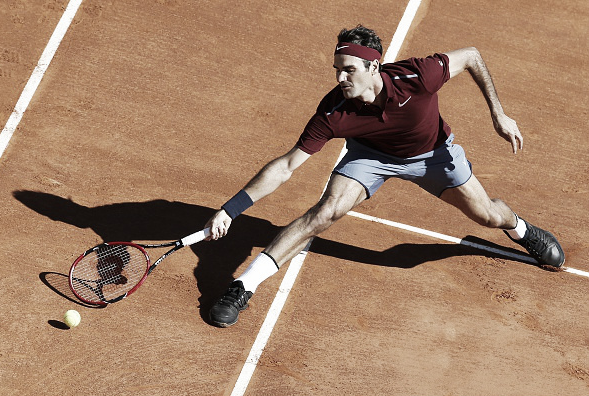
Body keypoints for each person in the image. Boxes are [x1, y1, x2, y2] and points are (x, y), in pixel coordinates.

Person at [204, 25, 565, 328]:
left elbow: (471, 55)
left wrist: (498, 114)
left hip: (432, 155)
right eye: (337, 69)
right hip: (371, 157)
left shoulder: (418, 76)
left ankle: (521, 230)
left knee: (487, 215)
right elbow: (285, 166)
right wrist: (231, 209)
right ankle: (243, 287)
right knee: (325, 211)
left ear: (374, 67)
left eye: (349, 70)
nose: (340, 78)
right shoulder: (334, 110)